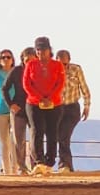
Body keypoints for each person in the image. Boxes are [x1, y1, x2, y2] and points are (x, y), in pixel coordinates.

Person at [22, 36, 67, 169]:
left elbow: (60, 83)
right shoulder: (31, 65)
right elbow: (26, 84)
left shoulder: (57, 65)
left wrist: (50, 98)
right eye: (38, 50)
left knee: (52, 132)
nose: (40, 52)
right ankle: (39, 161)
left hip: (54, 104)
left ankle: (50, 161)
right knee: (37, 131)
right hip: (34, 103)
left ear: (49, 50)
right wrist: (40, 98)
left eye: (43, 49)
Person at [53, 49, 91, 173]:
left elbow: (84, 88)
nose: (63, 67)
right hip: (57, 108)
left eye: (65, 64)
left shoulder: (76, 70)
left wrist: (86, 106)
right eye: (60, 64)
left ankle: (65, 165)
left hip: (72, 108)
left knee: (64, 136)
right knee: (59, 137)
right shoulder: (51, 71)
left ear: (69, 61)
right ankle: (66, 165)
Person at [3, 47, 36, 173]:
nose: (29, 63)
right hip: (19, 110)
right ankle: (22, 168)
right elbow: (4, 88)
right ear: (22, 59)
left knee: (35, 139)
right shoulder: (17, 71)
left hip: (34, 109)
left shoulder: (39, 70)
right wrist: (10, 104)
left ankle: (35, 166)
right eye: (27, 60)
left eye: (32, 60)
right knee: (19, 141)